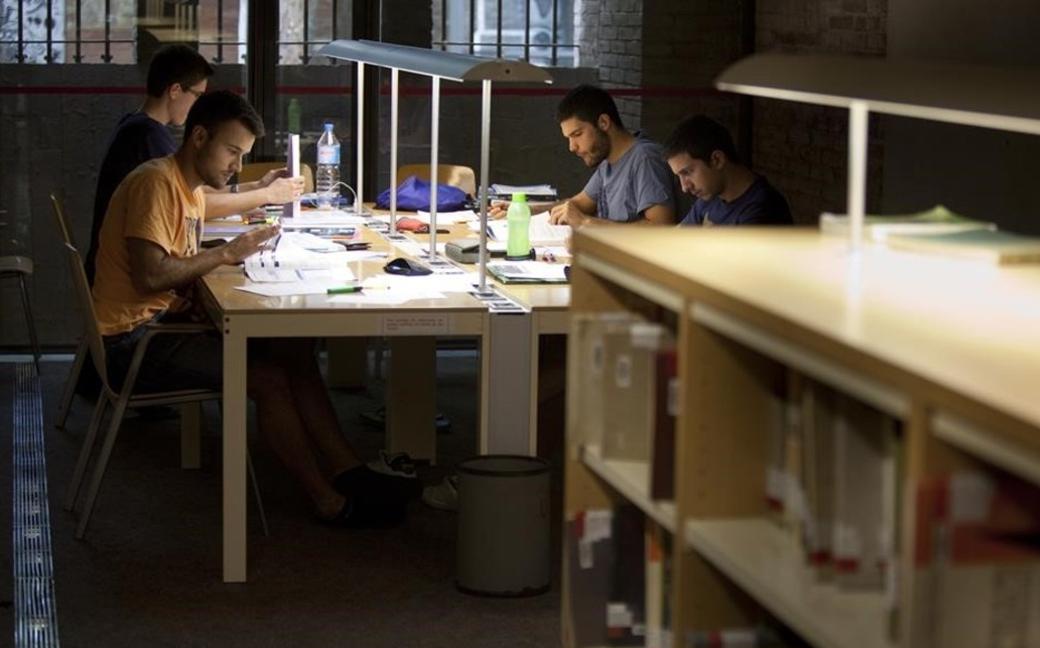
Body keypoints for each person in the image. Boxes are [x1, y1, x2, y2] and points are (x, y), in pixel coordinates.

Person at [92, 90, 417, 526]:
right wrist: (227, 254)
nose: (236, 166)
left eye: (242, 155)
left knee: (294, 351)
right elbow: (150, 277)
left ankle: (349, 472)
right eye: (232, 152)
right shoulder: (156, 183)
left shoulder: (185, 187)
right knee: (269, 379)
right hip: (135, 341)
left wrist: (240, 230)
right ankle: (327, 500)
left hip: (160, 324)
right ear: (199, 137)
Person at [87, 44, 301, 283]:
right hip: (134, 312)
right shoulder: (149, 147)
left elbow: (194, 191)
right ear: (175, 90)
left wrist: (257, 187)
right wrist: (264, 197)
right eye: (198, 96)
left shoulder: (143, 131)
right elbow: (151, 275)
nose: (238, 166)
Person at [492, 84, 677, 226]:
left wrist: (586, 223)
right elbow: (577, 205)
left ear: (603, 122)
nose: (572, 147)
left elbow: (661, 227)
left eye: (577, 135)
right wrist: (525, 210)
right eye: (568, 138)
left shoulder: (645, 158)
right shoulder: (608, 161)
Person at [664, 114, 793, 226]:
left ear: (717, 160)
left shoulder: (762, 210)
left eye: (687, 172)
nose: (684, 187)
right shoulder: (709, 197)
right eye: (678, 176)